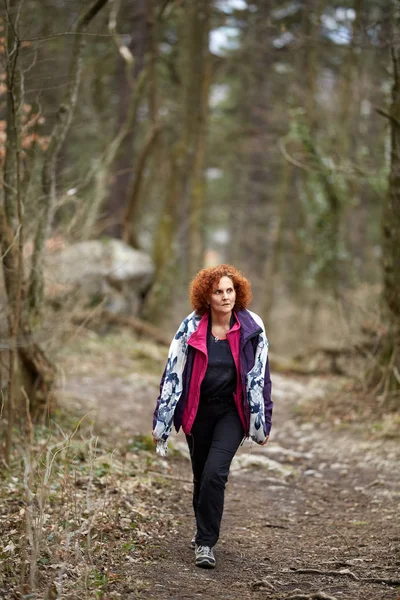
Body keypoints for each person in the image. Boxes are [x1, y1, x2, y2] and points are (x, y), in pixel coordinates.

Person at [152, 264, 273, 569]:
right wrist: (162, 419)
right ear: (206, 296)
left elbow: (262, 377)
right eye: (218, 291)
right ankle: (201, 529)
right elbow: (172, 374)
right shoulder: (190, 328)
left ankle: (206, 543)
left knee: (214, 473)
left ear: (238, 293)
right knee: (200, 475)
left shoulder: (251, 328)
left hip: (232, 411)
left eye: (229, 290)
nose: (224, 297)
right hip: (198, 410)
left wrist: (264, 420)